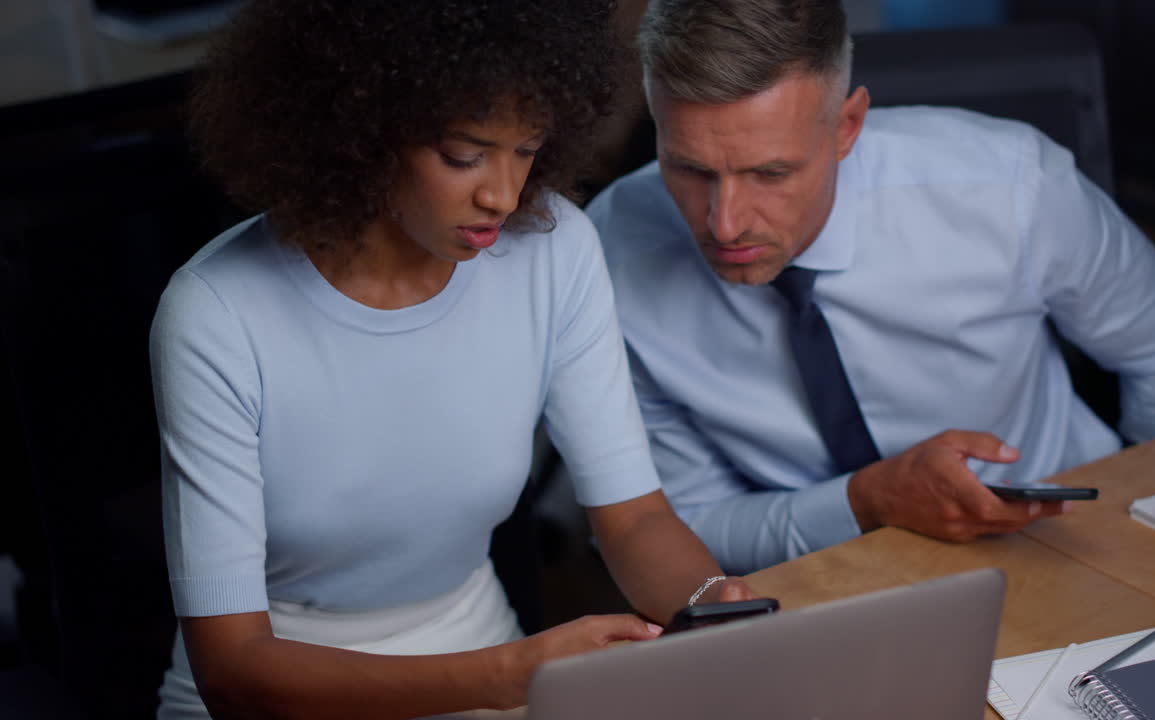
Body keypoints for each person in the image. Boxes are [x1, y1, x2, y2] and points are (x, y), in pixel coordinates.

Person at [151, 2, 753, 718]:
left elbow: (634, 520)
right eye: (464, 155)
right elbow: (234, 670)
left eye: (526, 151)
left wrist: (710, 605)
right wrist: (509, 676)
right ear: (365, 127)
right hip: (285, 689)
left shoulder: (553, 251)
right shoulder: (217, 312)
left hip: (478, 655)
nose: (503, 195)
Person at [586, 0, 1155, 575]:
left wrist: (1145, 529)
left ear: (847, 126)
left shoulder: (1013, 189)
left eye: (770, 172)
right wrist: (863, 504)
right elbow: (682, 522)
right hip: (815, 584)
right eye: (690, 168)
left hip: (1064, 542)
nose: (724, 224)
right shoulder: (609, 257)